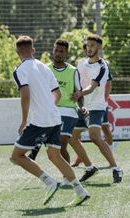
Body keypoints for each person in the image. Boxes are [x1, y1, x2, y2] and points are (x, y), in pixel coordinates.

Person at [10, 36, 90, 206]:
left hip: (39, 120)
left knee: (16, 156)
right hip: (55, 117)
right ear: (33, 50)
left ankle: (49, 182)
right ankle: (80, 191)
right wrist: (48, 107)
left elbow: (25, 95)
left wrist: (24, 121)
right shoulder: (43, 67)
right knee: (55, 155)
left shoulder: (19, 70)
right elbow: (58, 94)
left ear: (18, 53)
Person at [27, 39, 99, 184]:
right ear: (53, 51)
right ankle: (37, 147)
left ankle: (67, 178)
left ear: (66, 54)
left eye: (62, 51)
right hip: (50, 110)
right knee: (54, 149)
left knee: (61, 143)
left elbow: (78, 93)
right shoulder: (44, 69)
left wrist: (81, 106)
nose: (58, 53)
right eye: (56, 50)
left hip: (68, 111)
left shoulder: (73, 71)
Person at [73, 34, 123, 183]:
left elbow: (92, 86)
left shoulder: (103, 66)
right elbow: (77, 82)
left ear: (99, 47)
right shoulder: (80, 63)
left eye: (92, 46)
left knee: (95, 135)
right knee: (71, 137)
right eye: (87, 45)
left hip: (97, 106)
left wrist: (80, 93)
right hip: (82, 106)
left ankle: (116, 168)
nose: (89, 48)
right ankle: (89, 167)